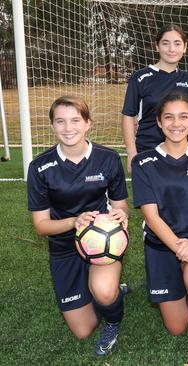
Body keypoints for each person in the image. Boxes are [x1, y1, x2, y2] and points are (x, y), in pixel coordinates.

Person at [27, 96, 129, 356]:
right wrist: (74, 222)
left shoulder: (107, 158)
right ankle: (101, 290)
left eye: (75, 120)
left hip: (103, 244)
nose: (68, 128)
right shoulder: (40, 167)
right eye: (60, 121)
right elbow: (41, 225)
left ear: (87, 124)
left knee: (105, 293)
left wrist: (119, 218)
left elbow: (121, 205)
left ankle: (113, 319)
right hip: (64, 247)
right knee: (83, 330)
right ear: (52, 126)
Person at [131, 92, 188, 366]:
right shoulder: (143, 163)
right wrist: (186, 252)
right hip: (161, 245)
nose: (176, 123)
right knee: (176, 327)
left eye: (183, 116)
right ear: (159, 122)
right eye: (168, 117)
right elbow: (152, 216)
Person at [122, 24, 188, 172]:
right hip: (147, 151)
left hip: (180, 154)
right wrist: (131, 153)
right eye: (165, 43)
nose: (172, 49)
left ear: (185, 47)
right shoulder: (141, 78)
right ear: (157, 46)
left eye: (177, 43)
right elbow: (128, 115)